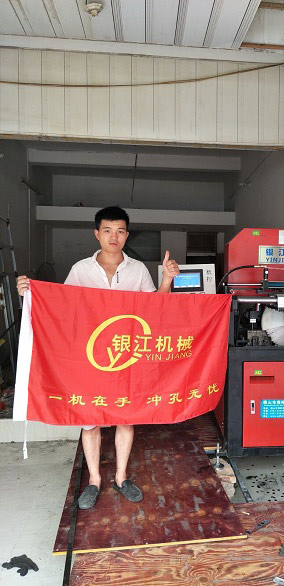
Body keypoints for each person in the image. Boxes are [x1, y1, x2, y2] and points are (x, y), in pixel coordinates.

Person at [17, 206, 180, 510]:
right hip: (89, 360)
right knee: (90, 421)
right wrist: (31, 295)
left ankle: (121, 477)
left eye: (119, 231)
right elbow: (61, 308)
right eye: (107, 230)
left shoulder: (138, 270)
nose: (113, 236)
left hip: (127, 358)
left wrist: (167, 281)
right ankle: (94, 480)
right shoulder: (81, 270)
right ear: (97, 234)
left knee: (126, 418)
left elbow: (157, 310)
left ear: (127, 235)